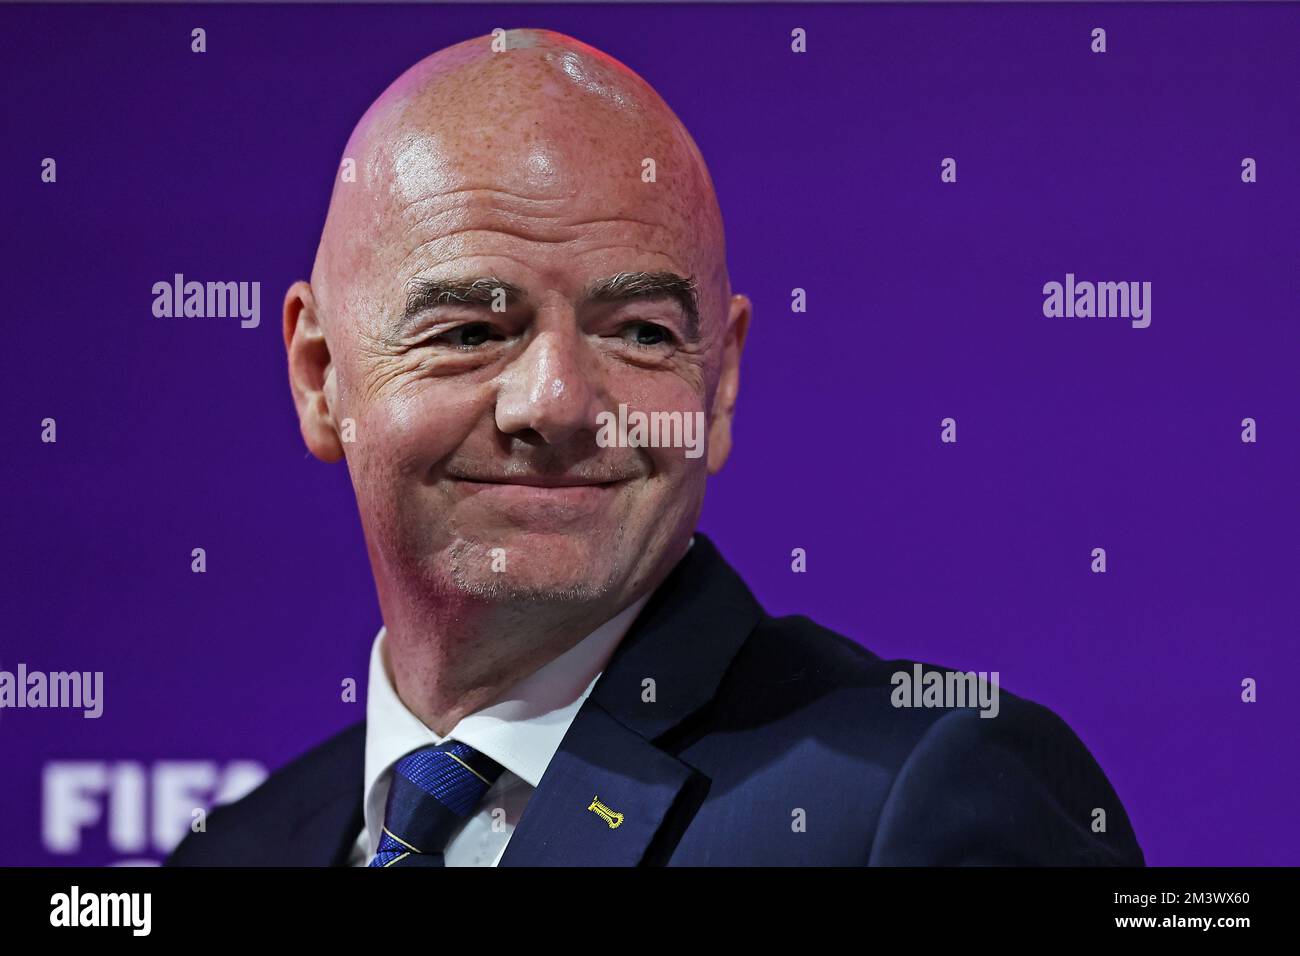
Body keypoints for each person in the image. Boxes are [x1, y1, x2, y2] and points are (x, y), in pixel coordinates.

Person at [167, 28, 1142, 867]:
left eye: (638, 331)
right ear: (318, 374)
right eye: (470, 330)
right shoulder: (235, 849)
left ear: (718, 383)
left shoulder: (921, 797)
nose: (556, 403)